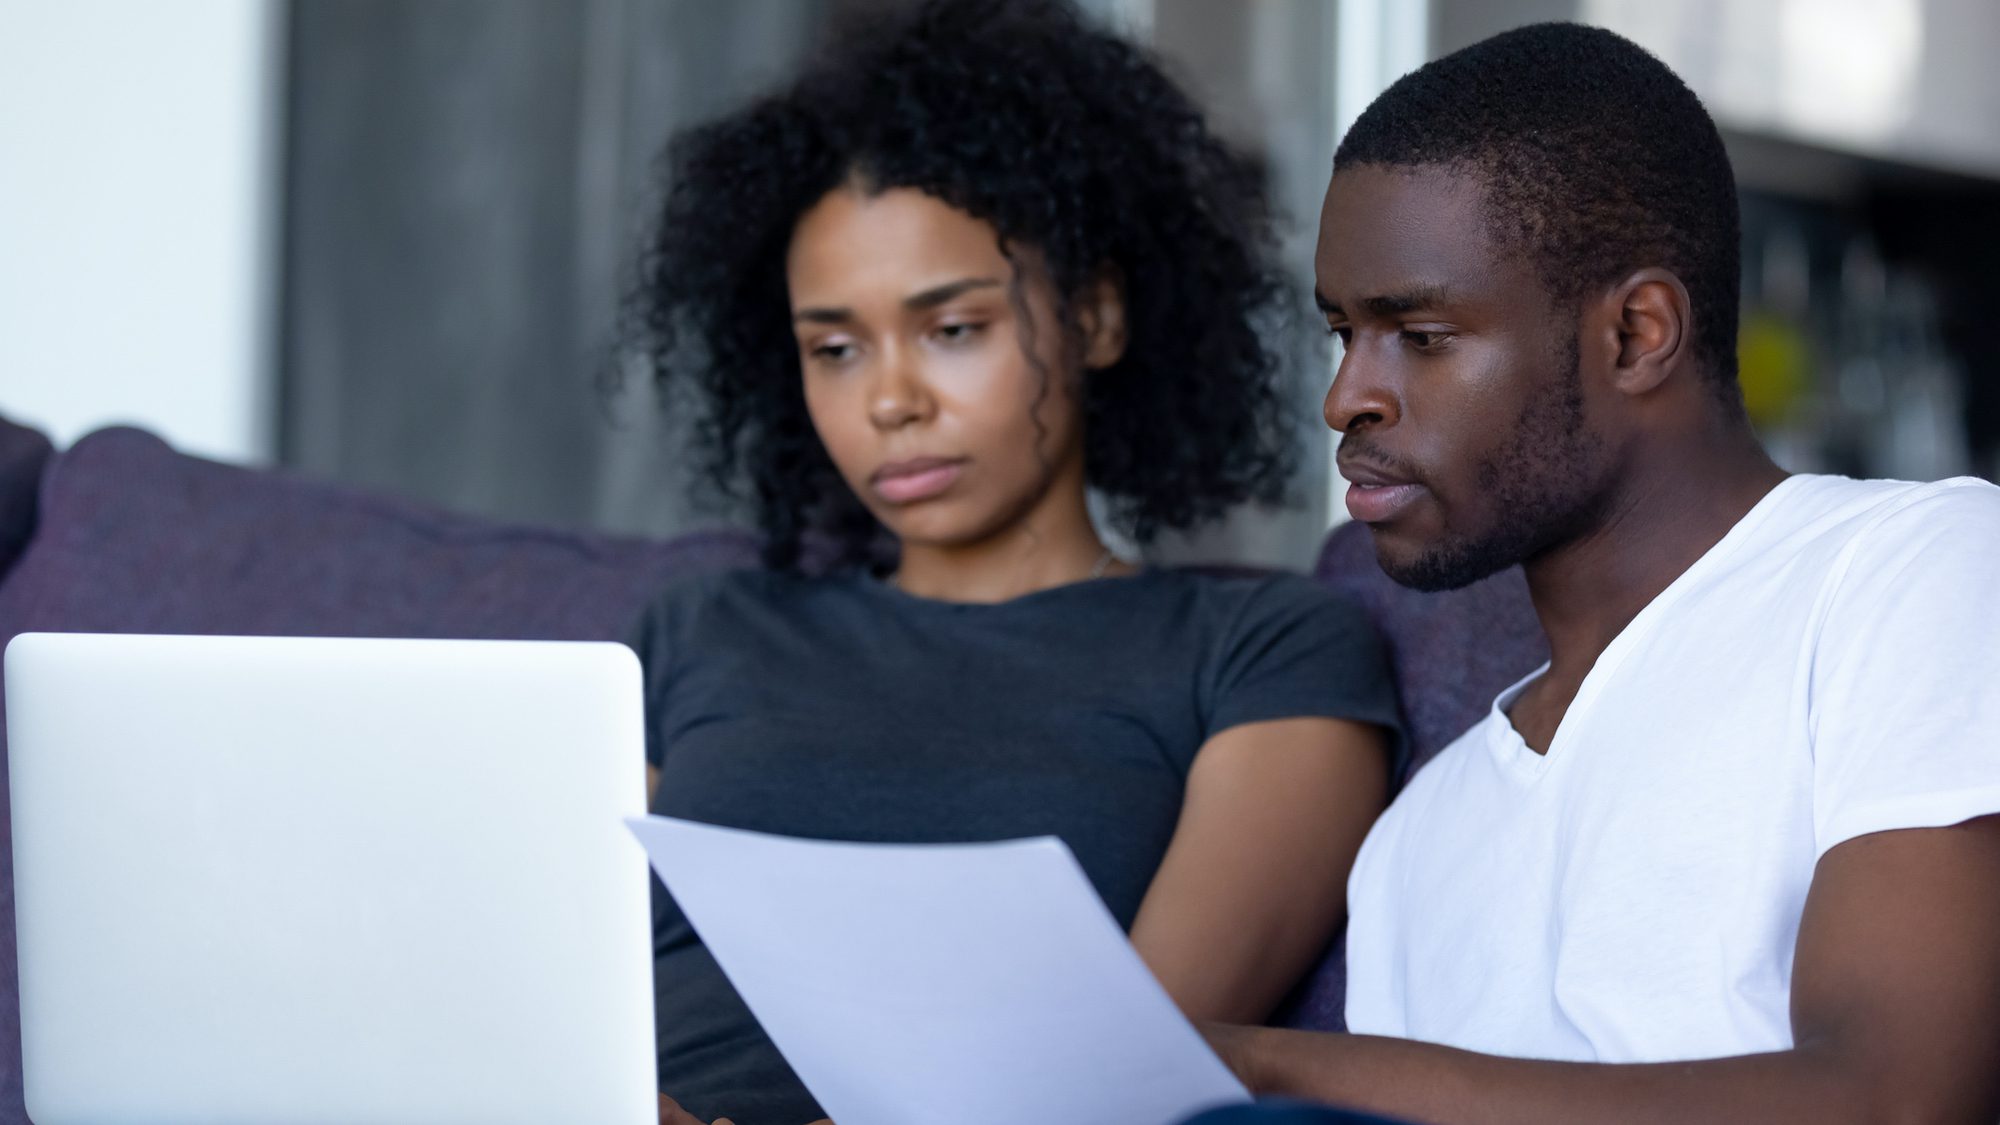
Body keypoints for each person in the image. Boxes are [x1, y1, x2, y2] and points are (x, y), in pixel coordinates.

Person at [1198, 22, 2000, 1124]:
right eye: (1342, 332)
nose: (1347, 398)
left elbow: (1893, 1097)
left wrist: (1266, 1068)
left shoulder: (1904, 571)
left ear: (1634, 334)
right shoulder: (1419, 836)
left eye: (1418, 334)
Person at [623, 3, 1403, 1123]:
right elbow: (530, 975)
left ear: (1091, 318)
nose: (889, 400)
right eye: (833, 349)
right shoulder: (701, 629)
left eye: (952, 330)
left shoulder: (1263, 653)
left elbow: (1132, 1065)